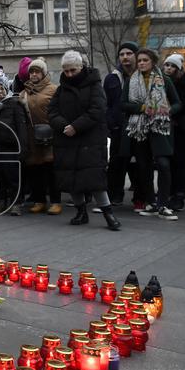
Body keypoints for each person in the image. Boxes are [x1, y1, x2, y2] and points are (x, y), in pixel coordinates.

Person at [49, 51, 121, 230]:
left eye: (73, 70)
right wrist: (64, 125)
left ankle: (108, 214)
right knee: (71, 178)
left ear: (81, 67)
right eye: (66, 71)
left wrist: (76, 126)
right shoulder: (61, 88)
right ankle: (81, 212)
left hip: (90, 139)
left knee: (94, 179)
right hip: (67, 139)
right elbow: (51, 111)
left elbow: (97, 109)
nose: (70, 74)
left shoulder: (94, 85)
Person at [121, 48, 181, 220]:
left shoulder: (165, 80)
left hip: (160, 127)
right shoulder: (131, 81)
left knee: (163, 164)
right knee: (144, 167)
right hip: (139, 129)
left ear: (153, 62)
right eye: (139, 60)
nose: (141, 63)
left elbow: (178, 103)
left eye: (145, 60)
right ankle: (151, 203)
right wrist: (141, 108)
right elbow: (123, 104)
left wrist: (167, 111)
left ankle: (163, 204)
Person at [0, 75, 28, 215]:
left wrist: (22, 148)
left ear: (6, 89)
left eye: (1, 88)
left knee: (13, 176)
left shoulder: (15, 104)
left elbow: (22, 128)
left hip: (11, 148)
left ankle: (16, 203)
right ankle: (1, 201)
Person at [21, 59, 61, 215]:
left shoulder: (54, 89)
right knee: (35, 170)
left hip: (49, 135)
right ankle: (40, 200)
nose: (34, 74)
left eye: (37, 71)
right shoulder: (24, 92)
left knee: (50, 170)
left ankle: (56, 201)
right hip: (31, 137)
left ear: (44, 73)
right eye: (31, 71)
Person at [104, 41, 138, 208]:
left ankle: (141, 197)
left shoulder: (143, 75)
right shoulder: (112, 78)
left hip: (139, 126)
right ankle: (114, 195)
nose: (125, 57)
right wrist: (112, 123)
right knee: (116, 164)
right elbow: (107, 104)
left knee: (139, 163)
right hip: (118, 127)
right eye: (122, 54)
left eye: (129, 53)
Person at [163, 53, 185, 211]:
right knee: (168, 161)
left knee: (180, 161)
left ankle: (180, 193)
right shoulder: (162, 81)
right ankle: (169, 191)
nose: (168, 68)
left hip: (180, 127)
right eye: (167, 65)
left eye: (172, 66)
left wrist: (173, 111)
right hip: (165, 126)